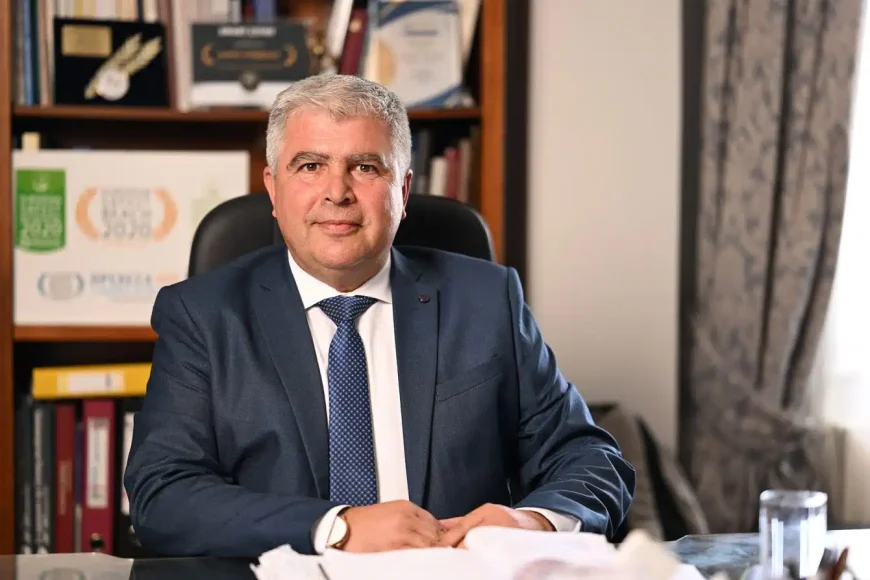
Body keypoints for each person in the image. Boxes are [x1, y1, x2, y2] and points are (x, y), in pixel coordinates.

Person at [124, 74, 635, 558]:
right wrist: (337, 528)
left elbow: (590, 461)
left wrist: (534, 523)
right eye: (310, 166)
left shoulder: (486, 300)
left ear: (403, 191)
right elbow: (162, 493)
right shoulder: (202, 316)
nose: (337, 192)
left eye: (365, 167)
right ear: (274, 189)